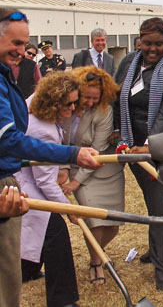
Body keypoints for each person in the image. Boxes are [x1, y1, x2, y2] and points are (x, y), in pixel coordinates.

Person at [0, 7, 100, 307]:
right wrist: (72, 156)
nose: (22, 51)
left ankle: (40, 279)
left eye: (24, 44)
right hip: (14, 186)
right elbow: (9, 139)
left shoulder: (8, 78)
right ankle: (64, 299)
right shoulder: (42, 127)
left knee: (17, 255)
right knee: (38, 248)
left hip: (15, 180)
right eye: (15, 44)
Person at [113, 17, 163, 290]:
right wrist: (117, 130)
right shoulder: (129, 63)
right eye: (147, 43)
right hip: (135, 149)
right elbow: (117, 95)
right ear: (139, 41)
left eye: (159, 43)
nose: (152, 49)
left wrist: (151, 145)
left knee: (162, 208)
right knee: (153, 201)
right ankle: (157, 250)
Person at [15, 71, 84, 307]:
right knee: (56, 234)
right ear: (53, 102)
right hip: (25, 187)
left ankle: (28, 271)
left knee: (40, 234)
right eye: (69, 103)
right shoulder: (41, 129)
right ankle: (63, 300)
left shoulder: (37, 105)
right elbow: (45, 182)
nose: (73, 108)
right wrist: (69, 209)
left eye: (76, 102)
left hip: (28, 183)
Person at [60, 65, 123, 285]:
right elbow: (62, 141)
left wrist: (76, 182)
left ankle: (99, 254)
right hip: (78, 166)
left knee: (113, 225)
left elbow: (95, 152)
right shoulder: (67, 107)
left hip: (104, 168)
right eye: (87, 97)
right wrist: (66, 171)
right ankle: (96, 263)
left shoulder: (104, 111)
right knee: (94, 222)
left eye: (96, 98)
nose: (91, 102)